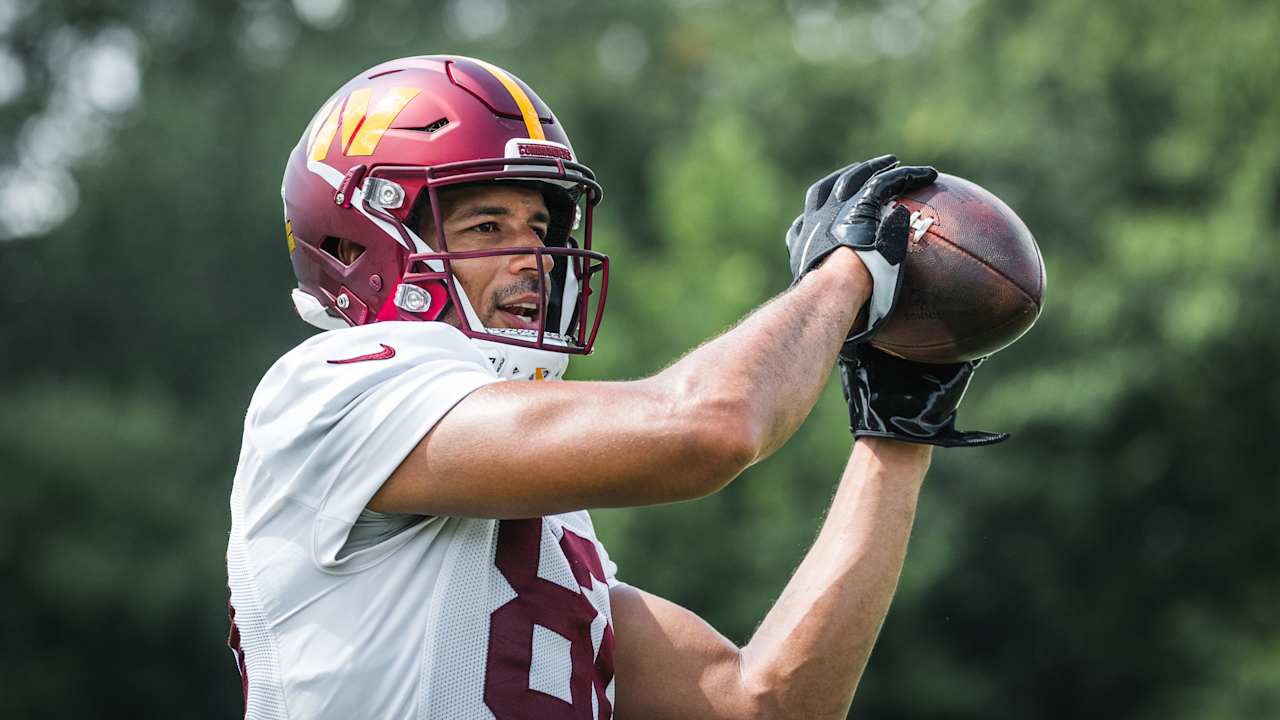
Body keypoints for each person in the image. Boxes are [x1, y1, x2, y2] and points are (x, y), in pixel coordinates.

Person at [226, 54, 1005, 720]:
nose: (534, 256)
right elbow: (710, 428)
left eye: (543, 228)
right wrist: (848, 273)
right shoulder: (330, 391)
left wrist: (895, 437)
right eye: (488, 226)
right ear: (365, 241)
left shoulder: (543, 516)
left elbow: (765, 703)